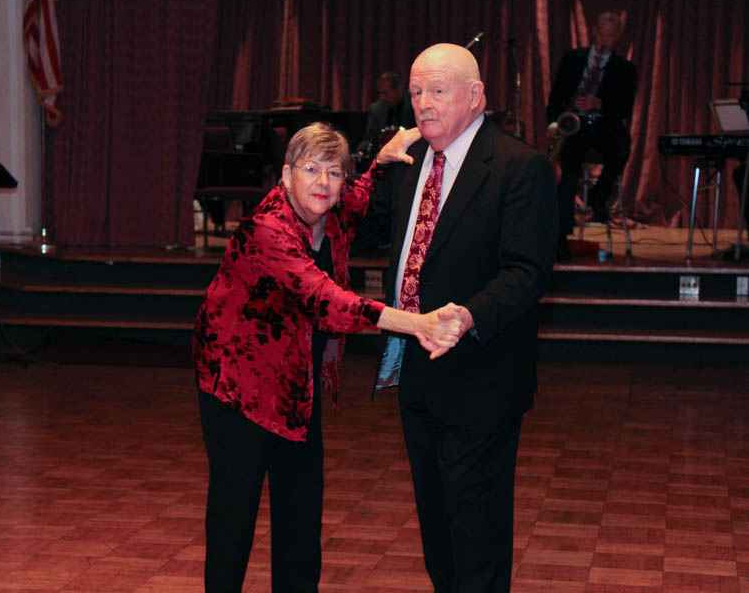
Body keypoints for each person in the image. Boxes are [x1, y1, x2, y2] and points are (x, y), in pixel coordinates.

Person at [193, 122, 465, 593]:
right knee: (233, 516)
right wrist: (416, 323)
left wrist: (379, 161)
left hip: (296, 383)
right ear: (285, 175)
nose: (322, 182)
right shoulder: (268, 227)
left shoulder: (332, 213)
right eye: (310, 169)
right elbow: (327, 302)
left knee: (301, 514)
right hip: (238, 386)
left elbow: (357, 197)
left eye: (334, 173)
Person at [360, 43, 557, 592]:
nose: (422, 104)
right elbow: (368, 230)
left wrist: (468, 315)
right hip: (415, 369)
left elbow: (527, 272)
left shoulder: (521, 166)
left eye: (437, 91)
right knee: (438, 528)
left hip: (480, 372)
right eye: (417, 92)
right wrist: (374, 168)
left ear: (476, 97)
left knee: (477, 530)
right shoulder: (408, 163)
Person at [547, 11, 637, 261]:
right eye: (601, 34)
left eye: (610, 37)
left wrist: (599, 103)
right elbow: (556, 96)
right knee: (570, 172)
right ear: (594, 31)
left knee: (622, 148)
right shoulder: (573, 59)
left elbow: (625, 108)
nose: (604, 41)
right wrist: (554, 122)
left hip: (605, 124)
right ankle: (561, 237)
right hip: (574, 126)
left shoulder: (625, 69)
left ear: (617, 37)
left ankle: (600, 197)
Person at [356, 71, 416, 159]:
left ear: (399, 89)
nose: (382, 98)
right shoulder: (376, 109)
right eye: (380, 93)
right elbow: (369, 138)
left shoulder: (414, 106)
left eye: (385, 93)